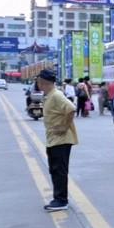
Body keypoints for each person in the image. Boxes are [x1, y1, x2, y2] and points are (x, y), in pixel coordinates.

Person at [36, 68, 77, 212]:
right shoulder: (49, 95)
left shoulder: (56, 95)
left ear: (44, 82)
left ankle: (61, 200)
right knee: (54, 169)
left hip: (62, 139)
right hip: (53, 139)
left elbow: (71, 109)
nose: (38, 84)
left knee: (59, 170)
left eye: (39, 82)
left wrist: (64, 127)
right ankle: (58, 198)